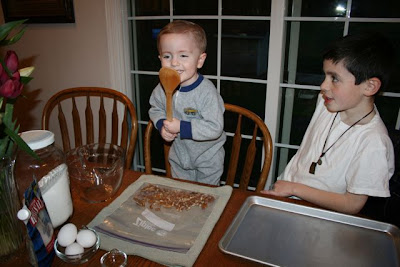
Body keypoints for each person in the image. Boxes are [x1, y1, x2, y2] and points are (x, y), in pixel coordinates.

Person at [262, 32, 395, 215]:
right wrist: (288, 188)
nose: (323, 86)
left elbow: (352, 204)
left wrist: (294, 189)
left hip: (318, 216)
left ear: (370, 86)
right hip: (287, 197)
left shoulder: (374, 143)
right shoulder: (327, 104)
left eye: (335, 78)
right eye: (325, 76)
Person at [148, 20, 226, 185]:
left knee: (206, 200)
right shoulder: (162, 87)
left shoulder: (206, 92)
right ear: (160, 58)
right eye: (167, 56)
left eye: (183, 55)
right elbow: (155, 109)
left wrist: (181, 127)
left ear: (199, 60)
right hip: (179, 157)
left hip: (208, 159)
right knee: (182, 197)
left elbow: (215, 127)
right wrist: (162, 124)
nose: (174, 62)